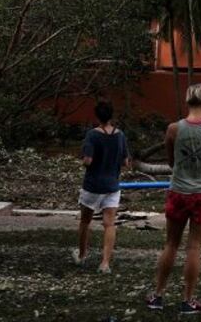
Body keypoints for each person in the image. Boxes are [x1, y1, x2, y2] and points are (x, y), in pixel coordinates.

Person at [146, 83, 201, 315]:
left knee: (171, 244)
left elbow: (171, 163)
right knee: (194, 246)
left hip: (179, 191)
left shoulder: (173, 129)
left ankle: (158, 295)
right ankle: (187, 300)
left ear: (187, 100)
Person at [74, 100, 130, 273]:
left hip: (92, 185)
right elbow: (125, 162)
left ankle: (82, 255)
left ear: (97, 116)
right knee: (109, 224)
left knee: (85, 221)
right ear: (111, 115)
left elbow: (87, 160)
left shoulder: (92, 135)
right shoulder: (120, 135)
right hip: (112, 185)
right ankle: (105, 263)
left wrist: (84, 160)